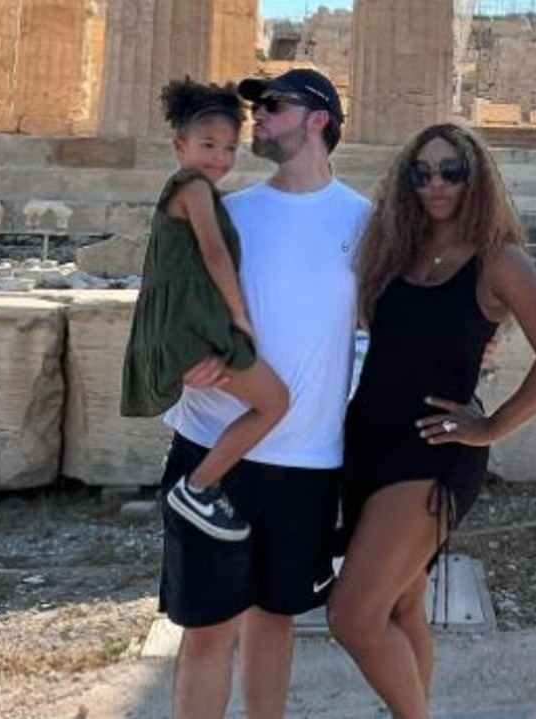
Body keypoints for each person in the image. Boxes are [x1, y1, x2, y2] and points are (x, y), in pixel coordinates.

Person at [327, 122, 536, 719]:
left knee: (353, 615)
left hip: (435, 449)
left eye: (451, 170)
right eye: (422, 172)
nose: (436, 183)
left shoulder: (500, 261)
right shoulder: (395, 252)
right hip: (367, 443)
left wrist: (492, 426)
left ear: (477, 177)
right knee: (401, 606)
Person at [156, 68, 371, 719]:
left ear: (318, 119)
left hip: (306, 458)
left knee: (277, 619)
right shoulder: (229, 211)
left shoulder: (366, 221)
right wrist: (184, 355)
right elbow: (170, 298)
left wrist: (482, 341)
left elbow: (396, 317)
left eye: (272, 106)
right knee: (208, 628)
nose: (255, 118)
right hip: (211, 444)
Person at [122, 79, 289, 543]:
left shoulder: (190, 190)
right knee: (275, 401)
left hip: (180, 325)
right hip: (192, 330)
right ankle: (196, 487)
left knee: (267, 401)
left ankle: (207, 484)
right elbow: (215, 255)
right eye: (208, 145)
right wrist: (240, 317)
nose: (220, 157)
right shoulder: (194, 188)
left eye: (230, 147)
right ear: (181, 146)